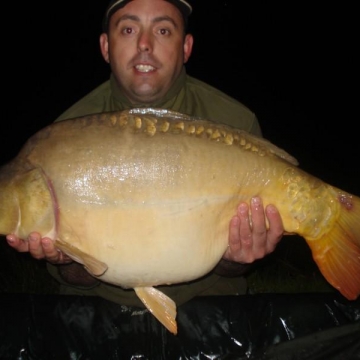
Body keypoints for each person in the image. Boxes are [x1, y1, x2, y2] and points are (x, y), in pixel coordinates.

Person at [6, 0, 284, 307]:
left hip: (206, 303)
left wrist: (237, 257)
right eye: (128, 29)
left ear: (186, 47)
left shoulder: (235, 123)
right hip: (101, 310)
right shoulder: (61, 139)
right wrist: (65, 260)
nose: (144, 44)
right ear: (106, 46)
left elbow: (235, 269)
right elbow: (76, 279)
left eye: (163, 30)